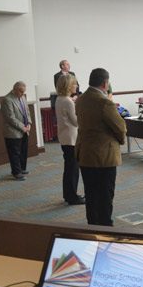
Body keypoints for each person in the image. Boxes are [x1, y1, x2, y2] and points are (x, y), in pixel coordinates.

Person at [75, 68, 126, 226]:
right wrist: (121, 140)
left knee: (91, 194)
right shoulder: (104, 102)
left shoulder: (80, 99)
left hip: (85, 153)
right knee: (105, 195)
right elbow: (120, 128)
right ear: (105, 83)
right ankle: (105, 227)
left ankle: (92, 225)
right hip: (104, 157)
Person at [55, 75, 85, 205]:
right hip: (71, 138)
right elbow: (76, 121)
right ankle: (72, 196)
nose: (76, 86)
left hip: (64, 136)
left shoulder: (60, 99)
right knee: (73, 169)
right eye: (74, 84)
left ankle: (68, 194)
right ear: (68, 86)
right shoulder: (68, 101)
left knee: (69, 168)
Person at [1, 81, 32, 181]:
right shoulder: (7, 100)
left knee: (23, 151)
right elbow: (10, 118)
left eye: (24, 92)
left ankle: (21, 169)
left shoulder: (22, 97)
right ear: (14, 90)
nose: (23, 94)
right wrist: (23, 127)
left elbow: (27, 111)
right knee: (15, 153)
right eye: (21, 92)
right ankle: (16, 172)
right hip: (13, 131)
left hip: (25, 129)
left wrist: (29, 124)